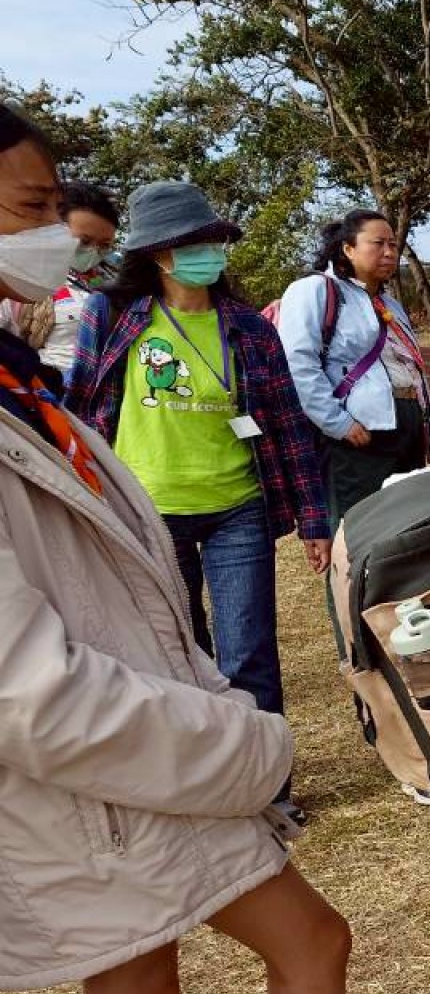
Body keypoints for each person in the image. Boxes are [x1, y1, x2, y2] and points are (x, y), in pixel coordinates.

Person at [0, 104, 430, 994]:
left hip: (138, 758)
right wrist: (246, 745)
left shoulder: (18, 372)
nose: (58, 237)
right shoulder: (75, 352)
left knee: (177, 982)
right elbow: (31, 694)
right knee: (212, 970)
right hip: (115, 775)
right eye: (33, 210)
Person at [66, 181, 330, 819]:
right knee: (181, 657)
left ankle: (270, 793)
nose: (208, 252)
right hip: (148, 511)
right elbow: (79, 405)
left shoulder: (248, 328)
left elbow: (287, 423)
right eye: (193, 243)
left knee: (249, 655)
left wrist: (315, 518)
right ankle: (212, 789)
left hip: (240, 506)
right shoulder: (111, 314)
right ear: (158, 253)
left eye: (213, 240)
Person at [277, 209, 430, 526]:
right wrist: (338, 423)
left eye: (393, 244)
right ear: (348, 248)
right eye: (378, 243)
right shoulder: (316, 290)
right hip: (359, 434)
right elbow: (298, 362)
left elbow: (409, 367)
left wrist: (426, 427)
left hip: (407, 426)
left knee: (408, 525)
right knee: (359, 526)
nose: (389, 252)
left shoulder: (390, 304)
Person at [0, 178, 118, 377]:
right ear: (54, 229)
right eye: (84, 241)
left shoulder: (114, 283)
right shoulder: (20, 280)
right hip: (50, 388)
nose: (93, 251)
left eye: (104, 245)